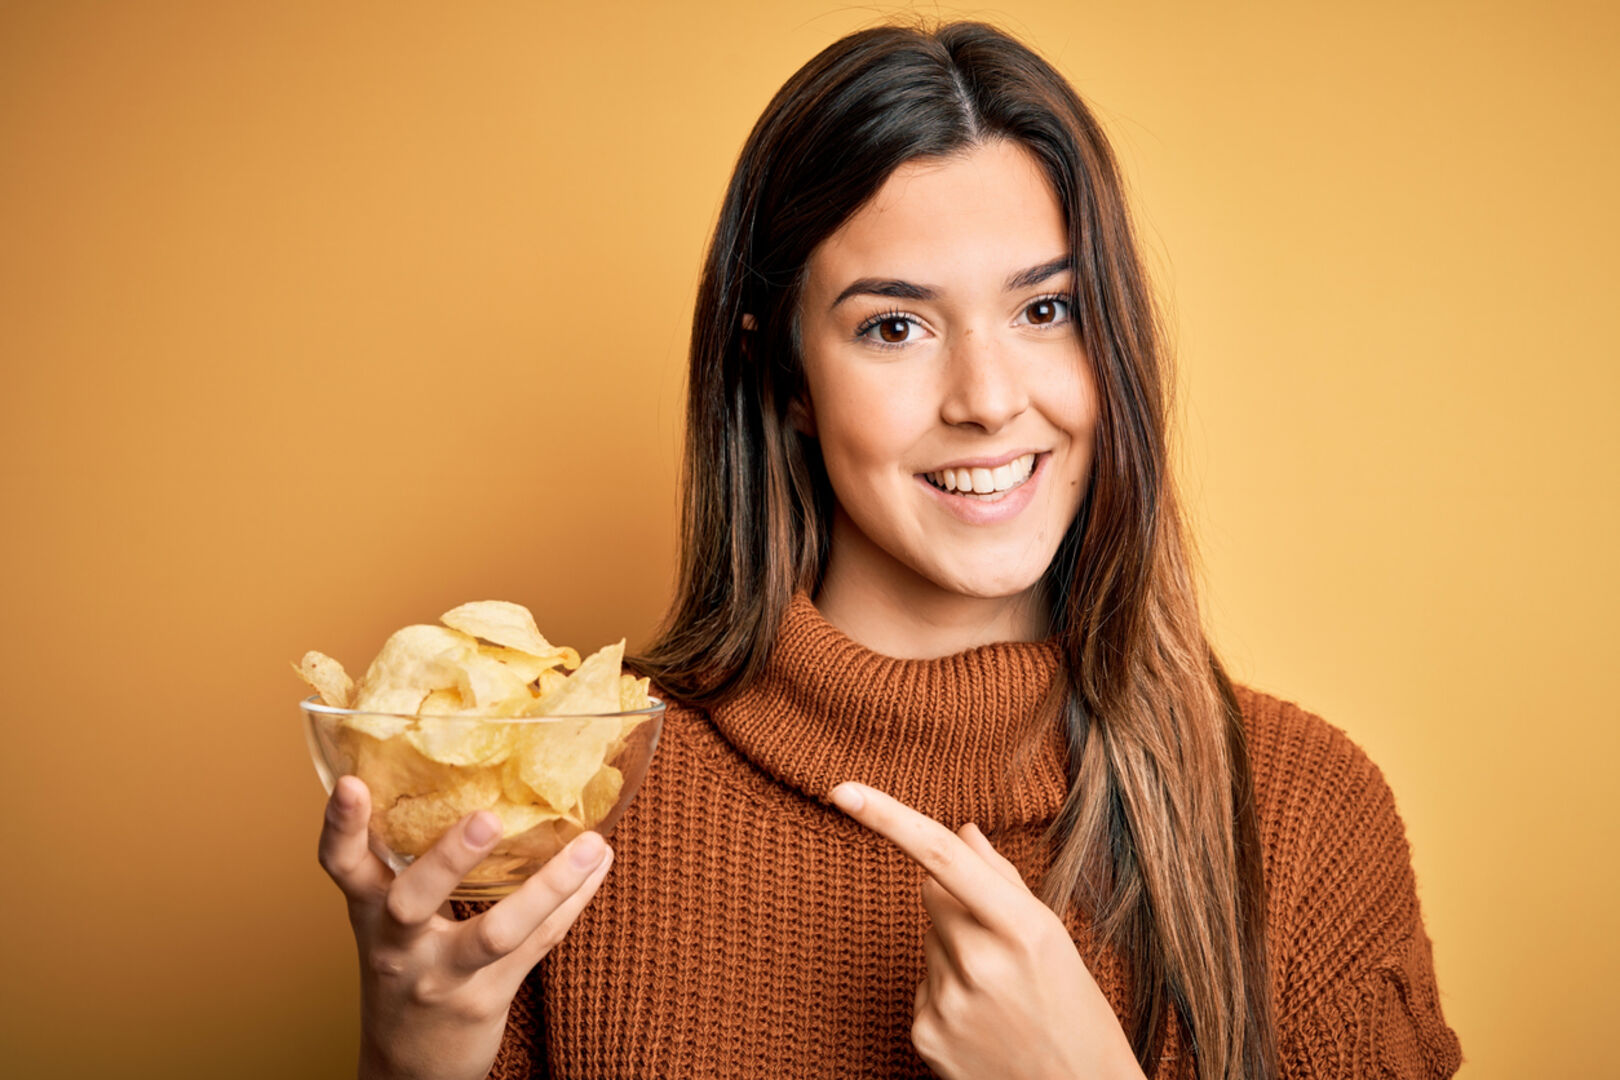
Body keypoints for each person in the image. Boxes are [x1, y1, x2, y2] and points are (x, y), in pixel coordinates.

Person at [316, 19, 1463, 1080]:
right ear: (786, 382)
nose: (987, 399)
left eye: (1045, 309)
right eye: (894, 326)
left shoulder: (1306, 815)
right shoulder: (575, 796)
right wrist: (410, 1054)